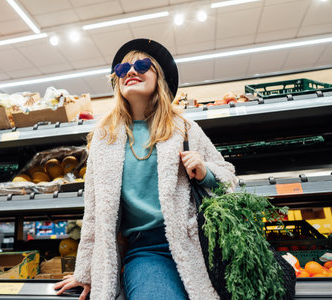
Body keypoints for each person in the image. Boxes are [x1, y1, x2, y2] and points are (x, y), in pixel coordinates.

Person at [54, 39, 237, 300]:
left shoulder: (185, 128)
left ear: (159, 78)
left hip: (198, 244)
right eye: (122, 69)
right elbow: (94, 214)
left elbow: (230, 179)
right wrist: (86, 271)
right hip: (146, 251)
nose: (130, 71)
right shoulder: (104, 139)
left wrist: (205, 171)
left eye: (141, 65)